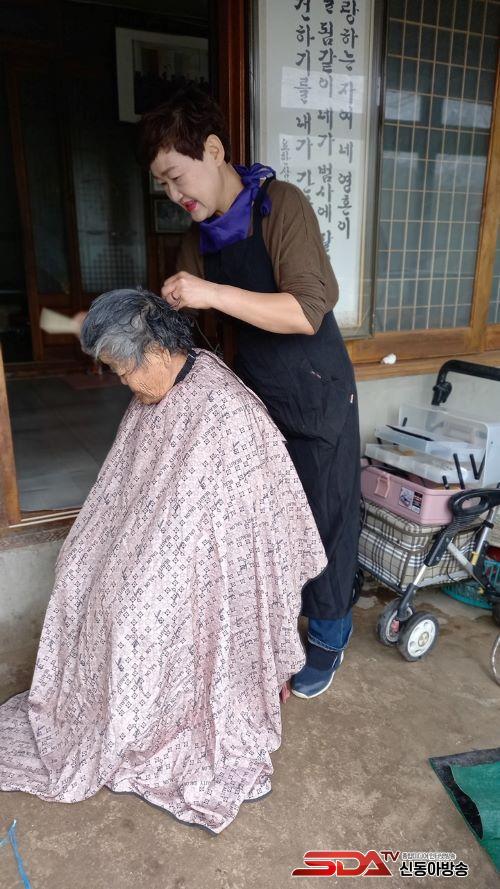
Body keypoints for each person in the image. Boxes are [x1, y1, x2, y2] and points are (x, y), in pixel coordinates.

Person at [0, 288, 326, 834]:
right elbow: (126, 489)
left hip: (216, 562)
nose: (121, 382)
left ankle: (144, 724)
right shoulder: (157, 392)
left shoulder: (223, 410)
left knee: (133, 608)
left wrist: (146, 559)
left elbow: (220, 521)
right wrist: (118, 544)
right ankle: (97, 707)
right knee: (78, 568)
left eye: (121, 370)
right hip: (159, 539)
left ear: (154, 351)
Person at [137, 87, 361, 699]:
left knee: (325, 515)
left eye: (176, 176)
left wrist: (210, 294)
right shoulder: (198, 241)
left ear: (213, 150)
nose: (173, 194)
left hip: (314, 389)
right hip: (253, 398)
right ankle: (272, 637)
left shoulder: (279, 207)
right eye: (162, 184)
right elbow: (192, 333)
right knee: (265, 524)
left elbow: (305, 311)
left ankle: (329, 636)